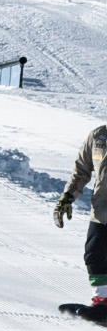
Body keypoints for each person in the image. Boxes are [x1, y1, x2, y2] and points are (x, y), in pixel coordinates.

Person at [56, 125, 107, 307]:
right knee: (93, 254)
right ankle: (102, 303)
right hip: (102, 211)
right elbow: (81, 171)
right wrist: (67, 197)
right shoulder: (99, 137)